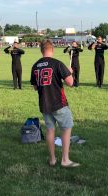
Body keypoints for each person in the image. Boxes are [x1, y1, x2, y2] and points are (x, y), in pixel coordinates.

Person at [30, 39, 80, 168]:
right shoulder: (57, 63)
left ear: (41, 50)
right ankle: (65, 159)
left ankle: (52, 159)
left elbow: (35, 87)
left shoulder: (35, 65)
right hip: (59, 102)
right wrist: (70, 73)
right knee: (66, 128)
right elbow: (70, 83)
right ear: (52, 49)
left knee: (50, 130)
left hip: (44, 103)